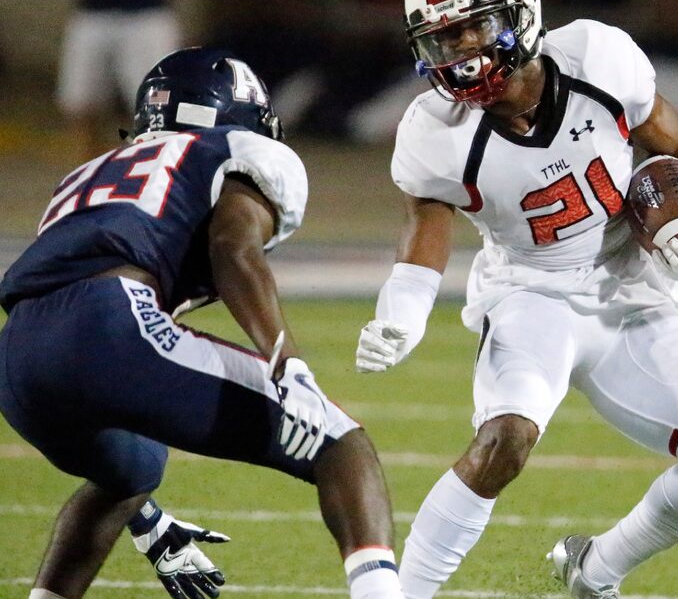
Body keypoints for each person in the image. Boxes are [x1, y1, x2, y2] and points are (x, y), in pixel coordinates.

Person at [354, 0, 678, 599]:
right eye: (444, 39)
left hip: (634, 290)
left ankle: (595, 570)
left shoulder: (598, 60)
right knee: (505, 439)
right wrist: (400, 313)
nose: (460, 54)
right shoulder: (435, 130)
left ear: (521, 11)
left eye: (473, 29)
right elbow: (424, 229)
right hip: (531, 295)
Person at [0, 47, 405, 599]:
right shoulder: (231, 149)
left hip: (18, 357)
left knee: (132, 471)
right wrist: (287, 361)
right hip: (107, 320)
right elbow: (233, 249)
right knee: (340, 442)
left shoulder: (87, 172)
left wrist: (152, 526)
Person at [56, 0, 182, 160]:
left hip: (146, 16)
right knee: (81, 102)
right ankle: (87, 170)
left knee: (155, 100)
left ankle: (153, 165)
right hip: (94, 13)